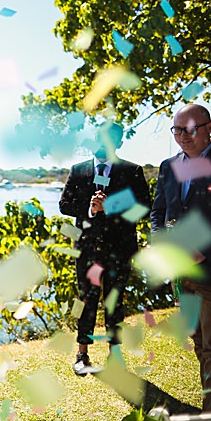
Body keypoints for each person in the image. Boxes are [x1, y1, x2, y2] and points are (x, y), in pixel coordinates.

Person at [59, 122, 150, 375]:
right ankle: (82, 354)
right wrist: (90, 208)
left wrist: (111, 206)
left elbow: (144, 207)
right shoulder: (78, 171)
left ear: (119, 143)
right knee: (86, 301)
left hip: (119, 250)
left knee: (115, 303)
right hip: (87, 251)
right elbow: (64, 205)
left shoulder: (132, 171)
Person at [150, 103, 211, 413]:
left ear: (209, 127)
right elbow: (158, 212)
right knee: (197, 341)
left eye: (189, 129)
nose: (182, 136)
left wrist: (205, 249)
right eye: (177, 130)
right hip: (183, 274)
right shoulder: (168, 166)